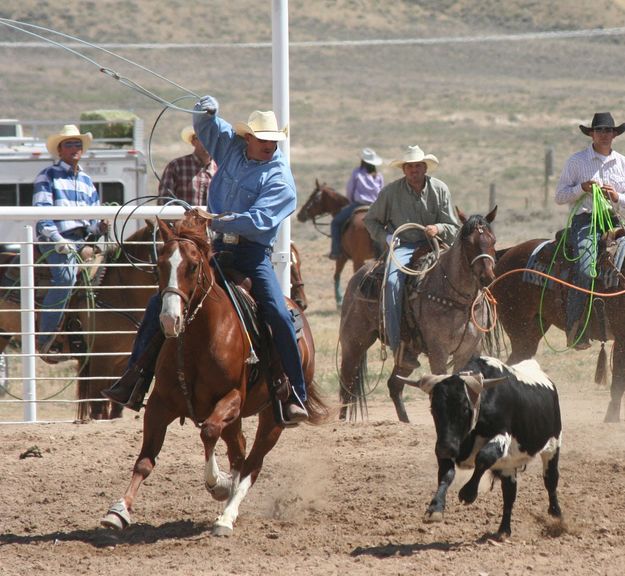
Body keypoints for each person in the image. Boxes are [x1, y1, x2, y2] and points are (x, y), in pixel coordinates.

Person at [102, 97, 308, 423]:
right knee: (163, 301)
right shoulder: (232, 147)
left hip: (252, 255)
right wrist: (204, 109)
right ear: (249, 138)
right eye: (264, 139)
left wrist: (213, 219)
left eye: (274, 141)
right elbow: (207, 127)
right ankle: (135, 377)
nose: (270, 145)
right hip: (218, 250)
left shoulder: (280, 178)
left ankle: (294, 392)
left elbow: (259, 221)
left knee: (278, 313)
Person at [364, 144, 460, 369]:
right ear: (404, 170)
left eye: (418, 166)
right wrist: (387, 238)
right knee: (391, 282)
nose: (414, 170)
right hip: (404, 246)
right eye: (410, 167)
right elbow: (370, 220)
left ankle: (466, 336)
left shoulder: (440, 189)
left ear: (425, 168)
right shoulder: (390, 192)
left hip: (435, 245)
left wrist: (437, 228)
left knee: (462, 275)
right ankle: (399, 346)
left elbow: (453, 225)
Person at [33, 125, 109, 354]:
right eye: (69, 144)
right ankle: (44, 337)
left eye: (78, 144)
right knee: (65, 277)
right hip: (55, 238)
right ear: (59, 149)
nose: (75, 148)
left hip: (82, 240)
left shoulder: (86, 181)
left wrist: (100, 226)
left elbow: (91, 221)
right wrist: (57, 239)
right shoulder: (47, 175)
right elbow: (41, 214)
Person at [555, 111, 625, 350]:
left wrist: (617, 196)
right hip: (585, 222)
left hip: (615, 222)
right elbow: (560, 196)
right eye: (600, 130)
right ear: (592, 134)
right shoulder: (577, 162)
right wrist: (582, 189)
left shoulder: (622, 162)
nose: (604, 134)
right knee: (585, 268)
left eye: (609, 130)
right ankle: (575, 326)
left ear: (615, 134)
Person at [329, 147, 384, 260]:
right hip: (375, 207)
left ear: (362, 161)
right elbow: (382, 192)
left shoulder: (357, 172)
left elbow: (350, 189)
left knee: (336, 222)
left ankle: (336, 251)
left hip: (358, 204)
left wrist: (350, 201)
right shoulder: (378, 175)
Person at [158, 125, 217, 206]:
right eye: (203, 138)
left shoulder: (220, 170)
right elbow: (164, 201)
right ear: (193, 141)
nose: (208, 142)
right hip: (181, 218)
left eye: (212, 139)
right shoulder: (176, 166)